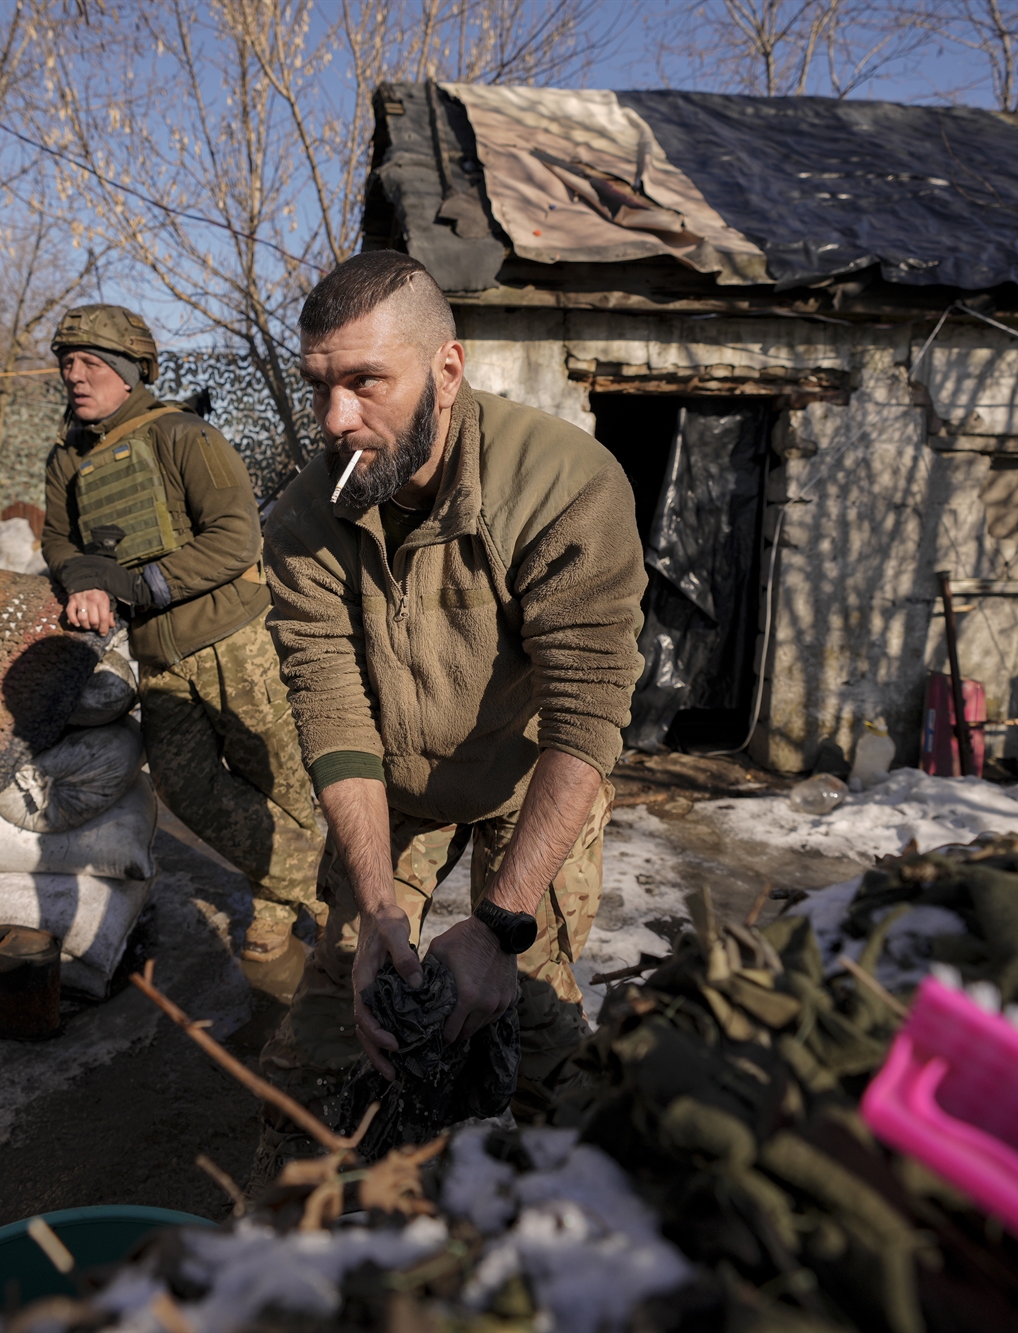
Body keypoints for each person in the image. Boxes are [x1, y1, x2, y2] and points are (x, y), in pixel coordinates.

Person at [258, 251, 647, 1128]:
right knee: (329, 1040)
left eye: (365, 382)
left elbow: (585, 725)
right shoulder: (301, 521)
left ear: (447, 368)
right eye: (319, 384)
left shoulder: (566, 488)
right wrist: (375, 906)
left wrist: (502, 926)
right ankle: (310, 1238)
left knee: (535, 1023)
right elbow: (331, 712)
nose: (334, 419)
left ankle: (554, 1222)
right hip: (394, 789)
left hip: (530, 776)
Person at [41, 306, 322, 962]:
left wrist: (138, 588)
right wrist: (84, 578)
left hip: (235, 639)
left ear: (130, 368)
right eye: (66, 362)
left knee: (278, 780)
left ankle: (288, 903)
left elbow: (236, 536)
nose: (73, 375)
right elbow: (59, 538)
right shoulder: (67, 460)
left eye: (89, 361)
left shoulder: (184, 436)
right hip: (157, 656)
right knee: (184, 785)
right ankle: (326, 883)